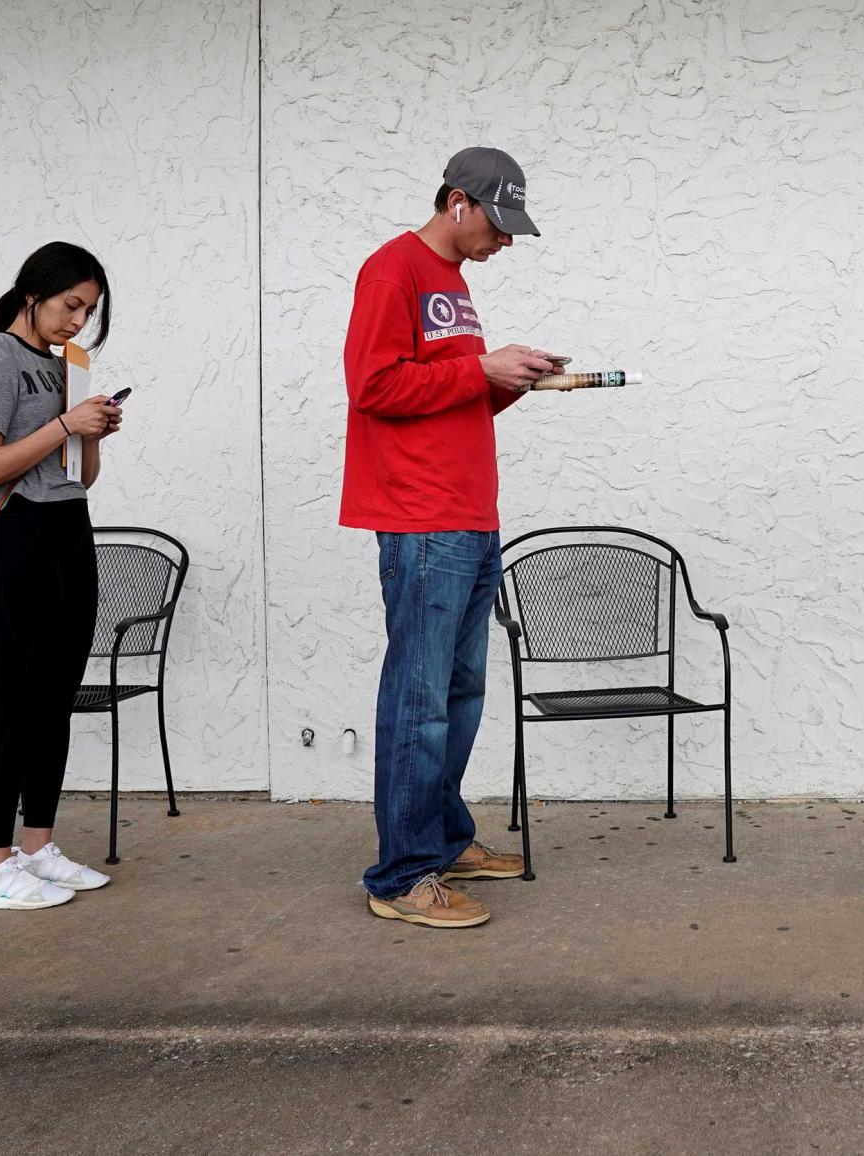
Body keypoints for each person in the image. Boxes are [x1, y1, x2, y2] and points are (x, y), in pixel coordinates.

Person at [342, 146, 568, 928]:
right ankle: (401, 877)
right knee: (419, 698)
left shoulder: (455, 286)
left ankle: (440, 837)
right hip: (422, 518)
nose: (504, 242)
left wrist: (511, 384)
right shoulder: (392, 271)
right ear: (458, 202)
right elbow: (372, 387)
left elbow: (445, 400)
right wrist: (482, 371)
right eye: (498, 225)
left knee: (459, 693)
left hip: (471, 513)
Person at [0, 241, 124, 910]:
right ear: (34, 291)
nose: (77, 323)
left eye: (87, 311)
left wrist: (92, 436)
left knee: (58, 698)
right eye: (70, 305)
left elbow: (75, 475)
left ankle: (36, 849)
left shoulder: (64, 368)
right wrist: (62, 423)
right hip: (15, 536)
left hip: (66, 530)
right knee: (18, 702)